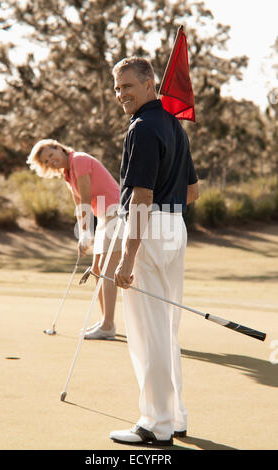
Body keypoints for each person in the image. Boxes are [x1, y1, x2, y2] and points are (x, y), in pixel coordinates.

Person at [109, 57, 199, 446]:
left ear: (150, 84)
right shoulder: (173, 126)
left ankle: (156, 424)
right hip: (174, 226)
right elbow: (193, 192)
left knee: (148, 333)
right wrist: (166, 220)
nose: (121, 94)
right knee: (167, 329)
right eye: (116, 88)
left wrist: (128, 256)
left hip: (150, 228)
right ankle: (175, 417)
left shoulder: (143, 128)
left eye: (127, 86)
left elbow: (141, 197)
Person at [27, 139, 122, 340]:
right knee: (96, 270)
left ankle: (108, 326)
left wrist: (88, 232)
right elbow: (79, 206)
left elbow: (86, 198)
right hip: (105, 216)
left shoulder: (78, 160)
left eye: (51, 155)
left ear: (58, 147)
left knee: (107, 269)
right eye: (46, 162)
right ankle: (107, 320)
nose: (51, 161)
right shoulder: (68, 174)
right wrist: (83, 234)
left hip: (116, 212)